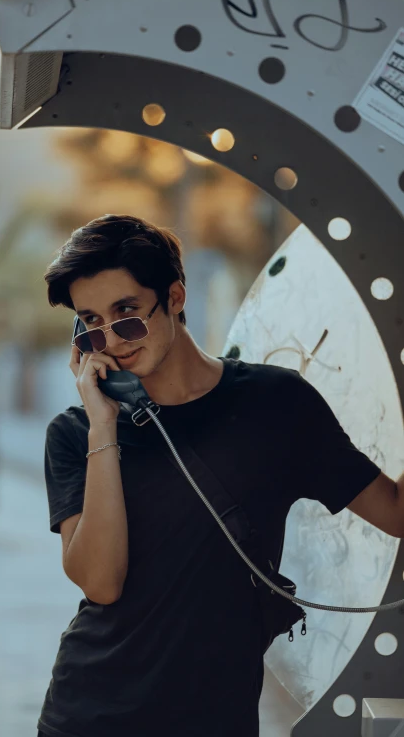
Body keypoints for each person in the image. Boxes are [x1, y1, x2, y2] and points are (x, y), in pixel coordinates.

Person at [37, 214, 382, 737]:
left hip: (216, 718)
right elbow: (102, 582)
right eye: (91, 324)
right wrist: (103, 425)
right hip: (89, 714)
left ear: (175, 297)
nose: (112, 340)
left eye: (127, 313)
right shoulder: (76, 433)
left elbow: (394, 511)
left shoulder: (276, 404)